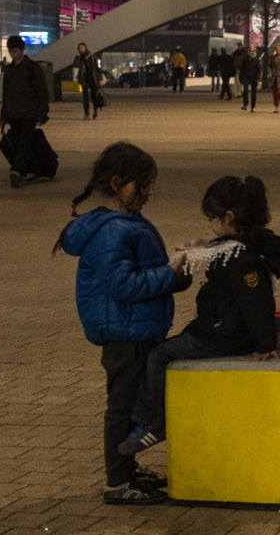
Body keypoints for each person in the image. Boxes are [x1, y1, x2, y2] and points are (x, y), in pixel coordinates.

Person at [54, 141, 190, 505]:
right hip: (125, 333)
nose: (148, 194)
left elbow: (143, 275)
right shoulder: (113, 230)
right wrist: (169, 272)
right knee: (122, 407)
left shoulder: (126, 223)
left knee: (131, 405)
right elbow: (123, 285)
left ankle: (127, 470)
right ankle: (117, 482)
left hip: (137, 329)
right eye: (142, 186)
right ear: (117, 183)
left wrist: (176, 273)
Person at [120, 174, 280, 459]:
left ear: (229, 216)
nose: (209, 225)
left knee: (159, 355)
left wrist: (265, 344)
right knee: (178, 342)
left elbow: (257, 302)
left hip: (226, 336)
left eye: (211, 219)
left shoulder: (241, 257)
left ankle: (153, 422)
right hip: (219, 328)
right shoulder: (242, 245)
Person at [0, 36, 55, 187]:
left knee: (24, 143)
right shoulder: (10, 69)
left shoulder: (32, 68)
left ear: (22, 50)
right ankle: (30, 169)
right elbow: (6, 94)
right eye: (10, 51)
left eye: (15, 51)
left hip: (29, 113)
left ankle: (17, 170)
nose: (13, 54)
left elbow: (42, 92)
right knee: (13, 143)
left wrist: (42, 114)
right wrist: (3, 117)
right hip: (14, 113)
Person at [73, 42, 104, 120]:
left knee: (93, 96)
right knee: (85, 97)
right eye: (79, 48)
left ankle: (95, 110)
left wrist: (100, 78)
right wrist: (77, 57)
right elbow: (76, 65)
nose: (81, 49)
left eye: (82, 47)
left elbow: (97, 68)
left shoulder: (92, 56)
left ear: (85, 48)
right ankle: (86, 114)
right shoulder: (79, 57)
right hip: (84, 79)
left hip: (93, 79)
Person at [238, 45, 265, 112]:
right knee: (245, 90)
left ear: (255, 52)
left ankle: (253, 107)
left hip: (254, 77)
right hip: (246, 77)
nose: (251, 52)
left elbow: (259, 70)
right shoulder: (245, 59)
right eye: (250, 51)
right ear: (248, 52)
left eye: (253, 51)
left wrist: (258, 78)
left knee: (254, 93)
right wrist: (240, 77)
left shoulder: (256, 60)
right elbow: (241, 69)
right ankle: (245, 104)